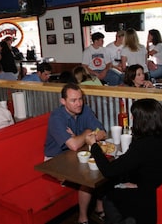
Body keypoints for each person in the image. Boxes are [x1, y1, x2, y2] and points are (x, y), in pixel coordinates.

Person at [85, 98, 162, 224]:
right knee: (123, 185)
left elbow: (108, 171)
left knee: (110, 197)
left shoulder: (143, 145)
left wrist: (94, 146)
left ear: (141, 121)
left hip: (150, 203)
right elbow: (155, 170)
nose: (132, 119)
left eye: (134, 117)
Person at [45, 83, 107, 224]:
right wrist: (87, 133)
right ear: (63, 101)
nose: (79, 103)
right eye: (73, 100)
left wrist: (80, 138)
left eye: (80, 99)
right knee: (88, 178)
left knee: (102, 169)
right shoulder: (56, 117)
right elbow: (73, 145)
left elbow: (102, 132)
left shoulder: (85, 110)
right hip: (55, 160)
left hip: (77, 154)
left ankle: (99, 208)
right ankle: (83, 218)